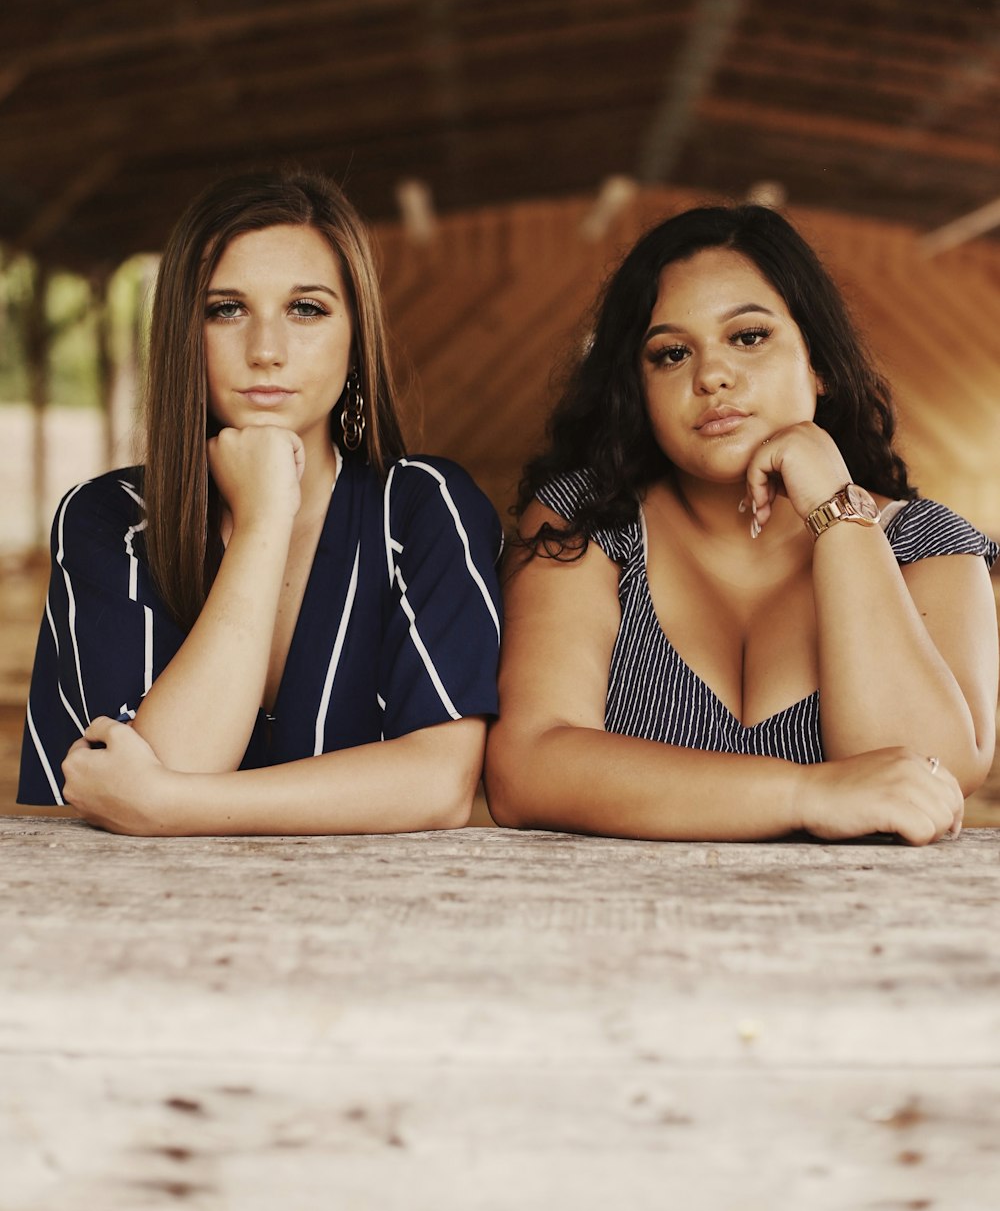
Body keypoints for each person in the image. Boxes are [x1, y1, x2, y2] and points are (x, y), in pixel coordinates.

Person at [485, 204, 998, 845]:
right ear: (638, 391)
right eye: (671, 354)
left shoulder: (930, 546)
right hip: (622, 929)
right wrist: (805, 793)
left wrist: (838, 512)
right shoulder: (586, 522)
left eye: (749, 337)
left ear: (819, 364)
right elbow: (527, 767)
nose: (712, 376)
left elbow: (922, 779)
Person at [19, 169, 502, 835]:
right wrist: (265, 518)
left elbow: (437, 782)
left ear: (358, 339)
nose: (266, 351)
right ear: (185, 334)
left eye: (306, 308)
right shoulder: (108, 521)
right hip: (144, 923)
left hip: (381, 922)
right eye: (227, 309)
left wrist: (168, 805)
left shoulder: (424, 510)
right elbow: (167, 763)